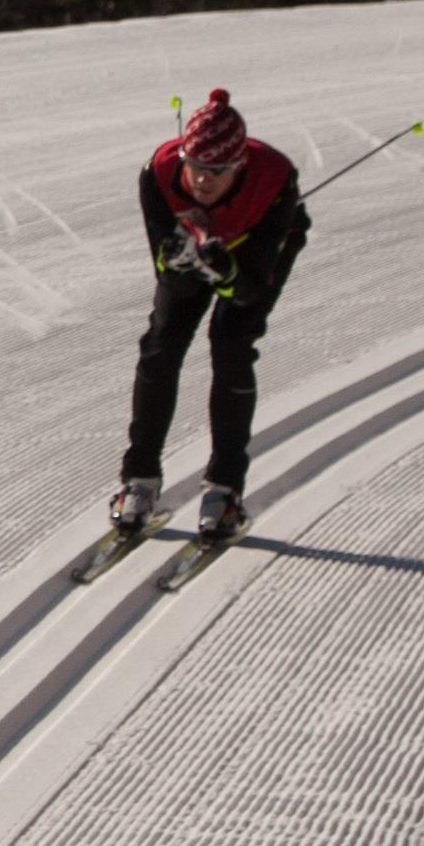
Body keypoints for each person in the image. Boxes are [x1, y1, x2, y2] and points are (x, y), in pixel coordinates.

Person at [116, 88, 307, 546]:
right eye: (196, 166)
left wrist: (222, 270)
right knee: (162, 344)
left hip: (254, 251)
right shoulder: (158, 175)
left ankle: (224, 491)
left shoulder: (274, 179)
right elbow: (168, 273)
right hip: (197, 249)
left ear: (239, 166)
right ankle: (139, 480)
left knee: (232, 344)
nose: (203, 180)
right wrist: (185, 262)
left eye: (217, 172)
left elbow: (250, 290)